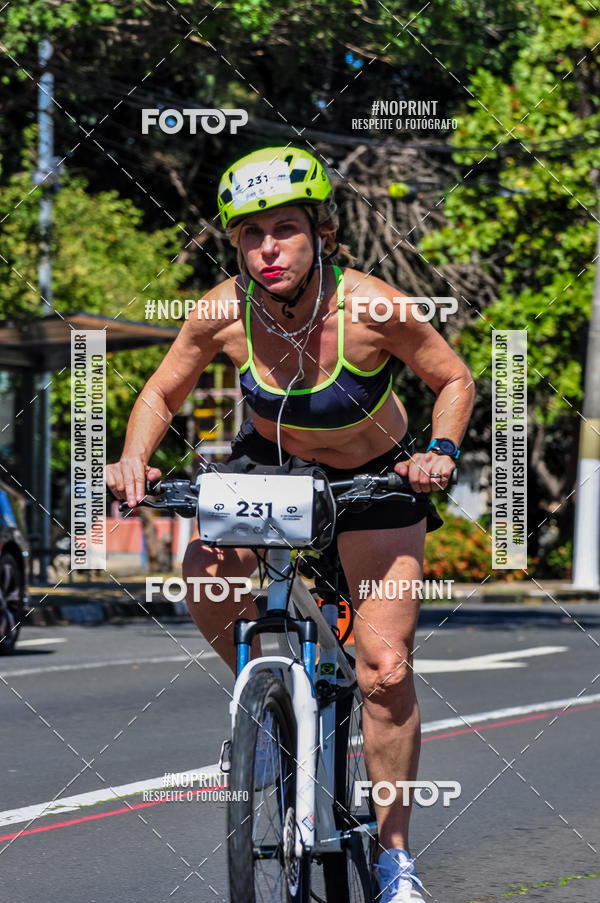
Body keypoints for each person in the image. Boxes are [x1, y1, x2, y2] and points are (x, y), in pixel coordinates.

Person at [106, 146, 475, 902]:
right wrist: (133, 460)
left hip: (376, 480)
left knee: (386, 669)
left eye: (284, 229)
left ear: (322, 236)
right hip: (271, 468)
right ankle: (266, 702)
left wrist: (439, 450)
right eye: (251, 234)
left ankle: (394, 859)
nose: (267, 248)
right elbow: (160, 393)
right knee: (205, 572)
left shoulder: (370, 307)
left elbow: (453, 377)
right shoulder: (222, 310)